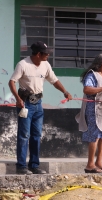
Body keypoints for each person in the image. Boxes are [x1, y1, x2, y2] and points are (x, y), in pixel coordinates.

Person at [8, 41, 72, 175]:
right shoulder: (23, 64)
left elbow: (54, 80)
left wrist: (65, 92)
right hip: (25, 104)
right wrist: (18, 99)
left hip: (38, 105)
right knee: (24, 135)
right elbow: (12, 82)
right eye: (46, 53)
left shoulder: (45, 65)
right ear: (38, 54)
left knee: (36, 135)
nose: (48, 55)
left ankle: (34, 165)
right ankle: (21, 166)